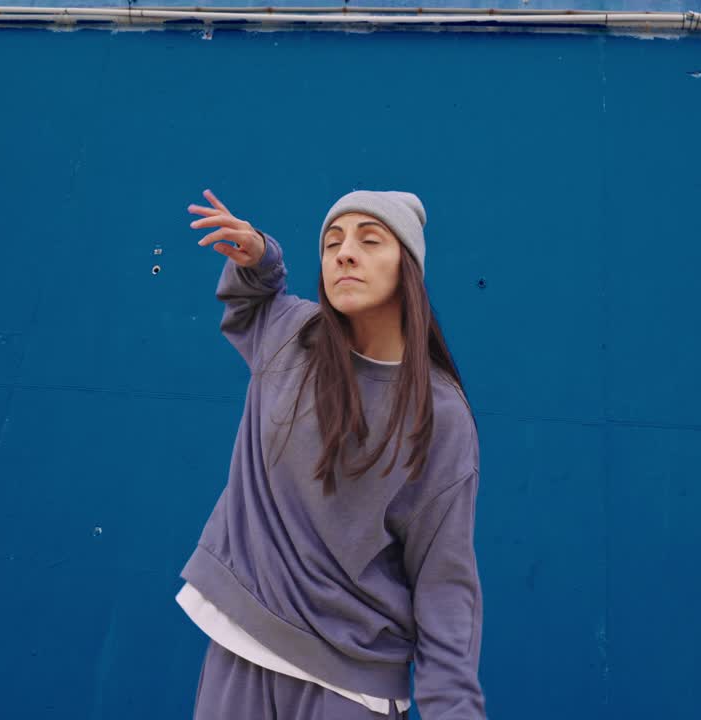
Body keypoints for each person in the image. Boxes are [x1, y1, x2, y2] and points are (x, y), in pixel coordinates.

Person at [177, 187, 487, 719]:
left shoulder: (439, 415)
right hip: (239, 647)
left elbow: (444, 581)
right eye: (332, 243)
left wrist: (453, 710)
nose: (345, 254)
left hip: (351, 686)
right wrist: (263, 256)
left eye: (370, 241)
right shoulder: (290, 334)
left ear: (407, 268)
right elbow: (249, 300)